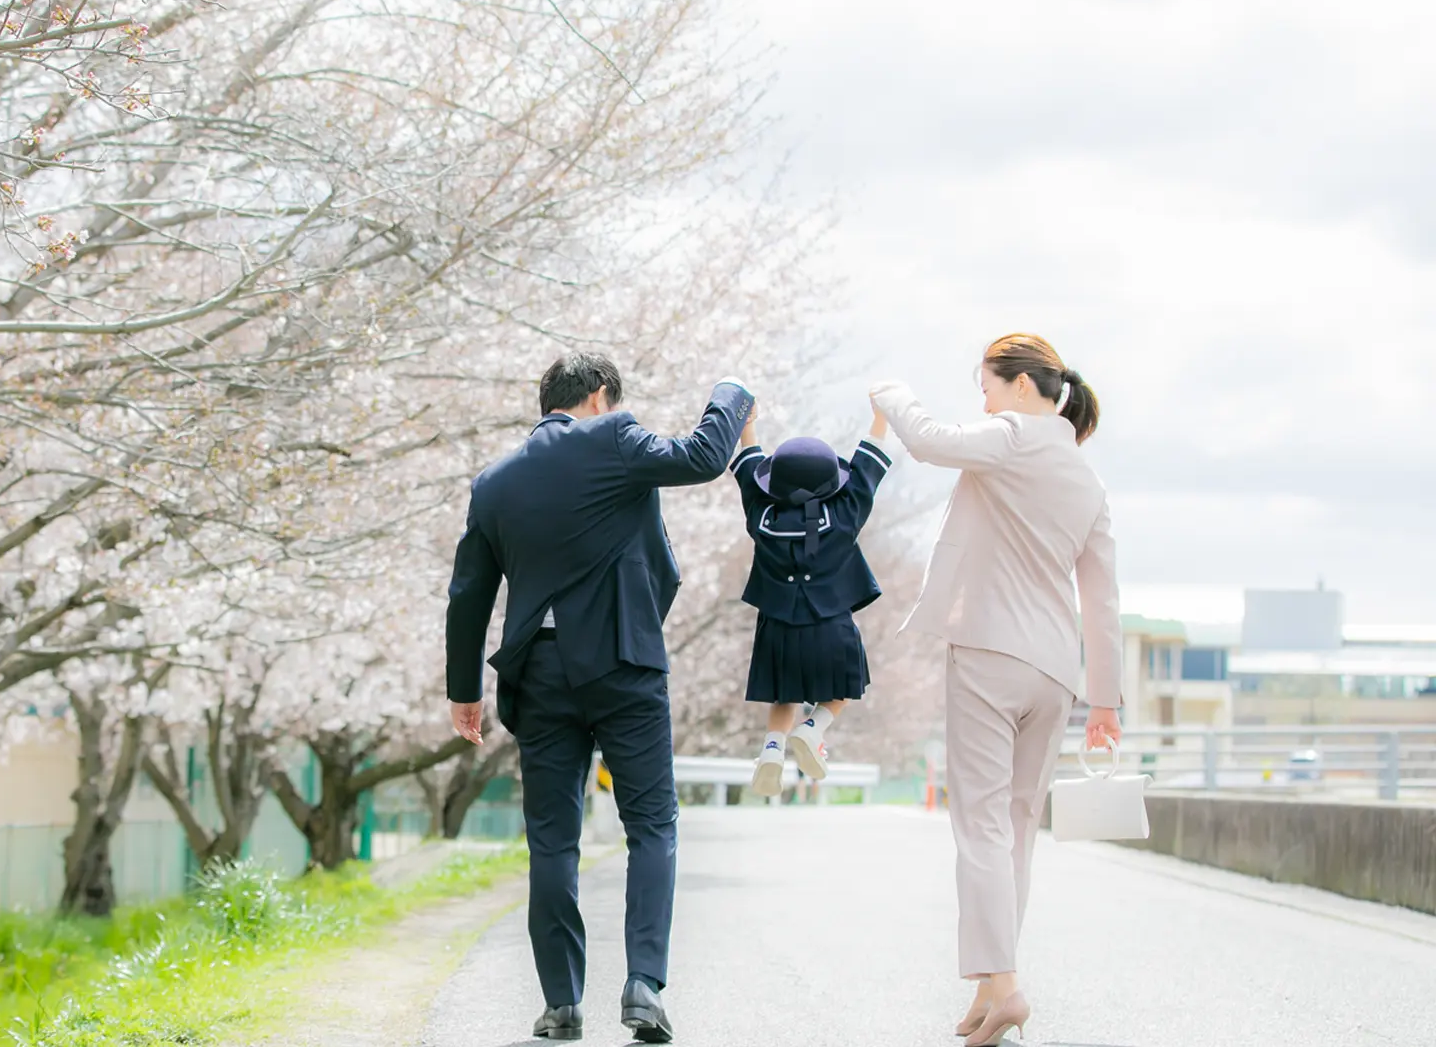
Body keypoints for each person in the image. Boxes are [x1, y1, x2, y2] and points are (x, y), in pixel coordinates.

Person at [444, 353, 753, 1043]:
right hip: (622, 661)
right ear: (600, 397)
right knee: (652, 824)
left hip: (539, 671)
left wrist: (464, 691)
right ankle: (644, 985)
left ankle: (561, 1004)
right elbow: (705, 455)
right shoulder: (615, 439)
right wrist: (731, 393)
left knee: (553, 840)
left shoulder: (493, 484)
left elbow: (469, 596)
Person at [870, 333, 1122, 1047]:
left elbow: (926, 439)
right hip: (1055, 672)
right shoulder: (1085, 476)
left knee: (978, 822)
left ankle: (1004, 986)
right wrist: (1105, 702)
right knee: (1014, 829)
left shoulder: (1010, 436)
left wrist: (891, 394)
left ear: (1019, 386)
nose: (980, 399)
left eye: (984, 384)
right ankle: (990, 988)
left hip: (988, 652)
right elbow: (1101, 598)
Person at [729, 402, 894, 795]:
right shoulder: (844, 514)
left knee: (784, 694)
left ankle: (772, 747)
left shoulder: (761, 517)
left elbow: (749, 471)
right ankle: (814, 727)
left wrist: (747, 427)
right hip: (830, 623)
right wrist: (880, 417)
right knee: (842, 691)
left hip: (777, 628)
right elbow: (867, 469)